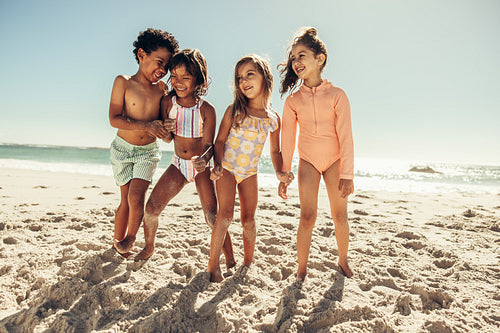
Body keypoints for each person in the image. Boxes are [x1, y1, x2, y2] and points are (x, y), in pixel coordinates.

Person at [134, 49, 236, 264]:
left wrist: (205, 159)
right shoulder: (167, 103)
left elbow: (210, 145)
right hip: (178, 165)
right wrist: (165, 129)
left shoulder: (206, 110)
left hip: (201, 169)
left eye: (185, 77)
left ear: (197, 79)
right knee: (151, 209)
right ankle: (149, 247)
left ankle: (229, 258)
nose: (178, 82)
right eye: (174, 76)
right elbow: (168, 139)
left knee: (212, 218)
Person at [207, 55, 293, 282]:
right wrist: (217, 165)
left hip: (249, 173)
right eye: (239, 77)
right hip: (226, 169)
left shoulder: (272, 119)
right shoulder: (235, 111)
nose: (243, 81)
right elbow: (219, 142)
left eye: (249, 74)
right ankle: (213, 265)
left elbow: (275, 152)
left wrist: (279, 173)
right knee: (225, 215)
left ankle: (247, 261)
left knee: (249, 219)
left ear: (265, 77)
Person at [278, 27, 355, 280]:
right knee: (307, 216)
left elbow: (346, 137)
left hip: (335, 161)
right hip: (308, 161)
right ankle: (301, 268)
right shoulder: (293, 101)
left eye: (302, 55)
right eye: (293, 57)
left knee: (339, 215)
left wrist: (347, 174)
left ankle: (343, 260)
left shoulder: (338, 95)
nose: (296, 62)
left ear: (319, 59)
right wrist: (285, 172)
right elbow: (287, 139)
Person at [109, 28, 179, 256]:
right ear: (141, 55)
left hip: (147, 151)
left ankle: (131, 238)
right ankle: (118, 243)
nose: (162, 70)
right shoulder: (124, 82)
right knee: (124, 201)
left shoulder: (162, 90)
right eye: (159, 62)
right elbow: (114, 119)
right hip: (121, 149)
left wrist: (164, 130)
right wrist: (146, 125)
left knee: (136, 196)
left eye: (166, 66)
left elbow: (163, 127)